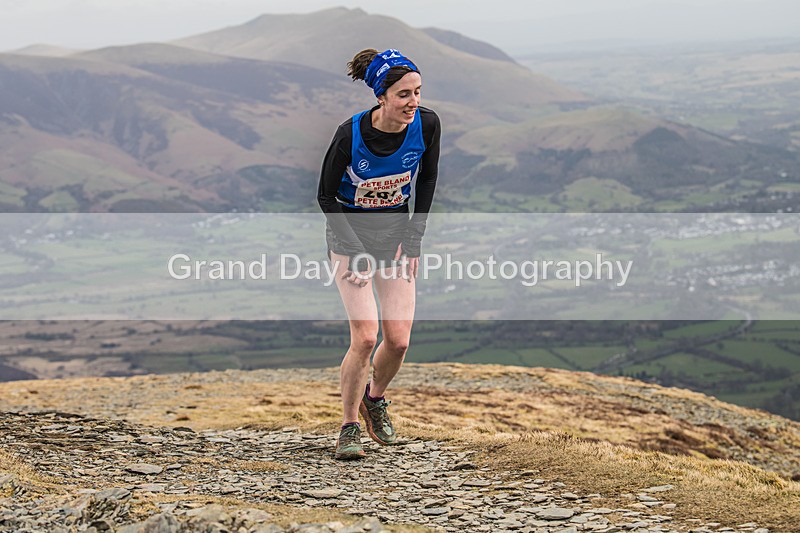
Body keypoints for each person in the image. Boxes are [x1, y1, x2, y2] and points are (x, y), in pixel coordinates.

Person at [317, 48, 441, 460]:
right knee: (366, 336)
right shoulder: (349, 134)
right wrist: (352, 252)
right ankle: (349, 426)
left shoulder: (427, 125)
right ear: (382, 96)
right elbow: (325, 196)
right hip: (350, 238)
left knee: (399, 340)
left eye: (418, 92)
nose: (413, 102)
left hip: (396, 239)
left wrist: (415, 239)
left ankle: (375, 399)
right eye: (404, 94)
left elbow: (427, 181)